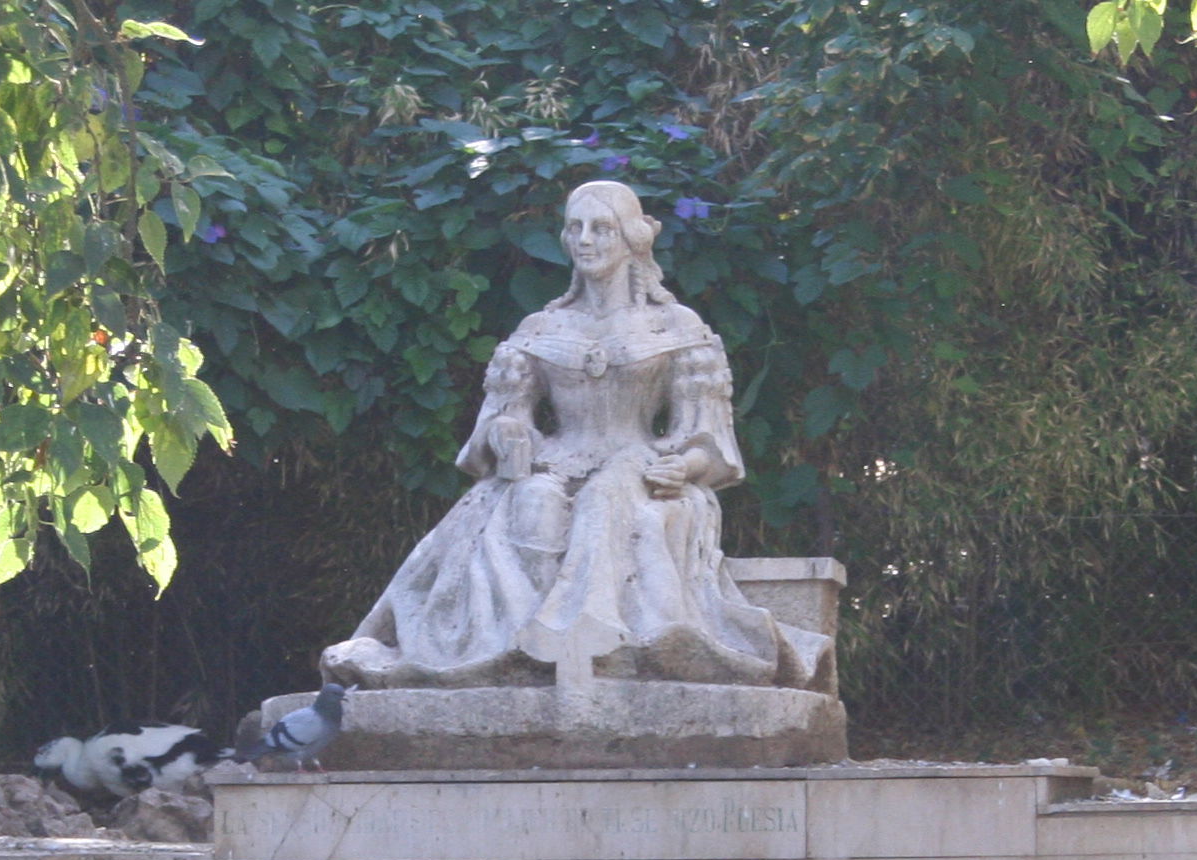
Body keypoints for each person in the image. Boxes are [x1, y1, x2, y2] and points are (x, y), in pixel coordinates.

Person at [321, 181, 829, 691]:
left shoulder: (675, 325)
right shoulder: (542, 326)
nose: (585, 240)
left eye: (601, 228)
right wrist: (507, 434)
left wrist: (686, 467)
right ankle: (518, 652)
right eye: (574, 228)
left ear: (632, 238)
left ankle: (592, 644)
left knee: (606, 501)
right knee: (532, 503)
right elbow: (503, 417)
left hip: (639, 465)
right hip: (553, 462)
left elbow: (706, 438)